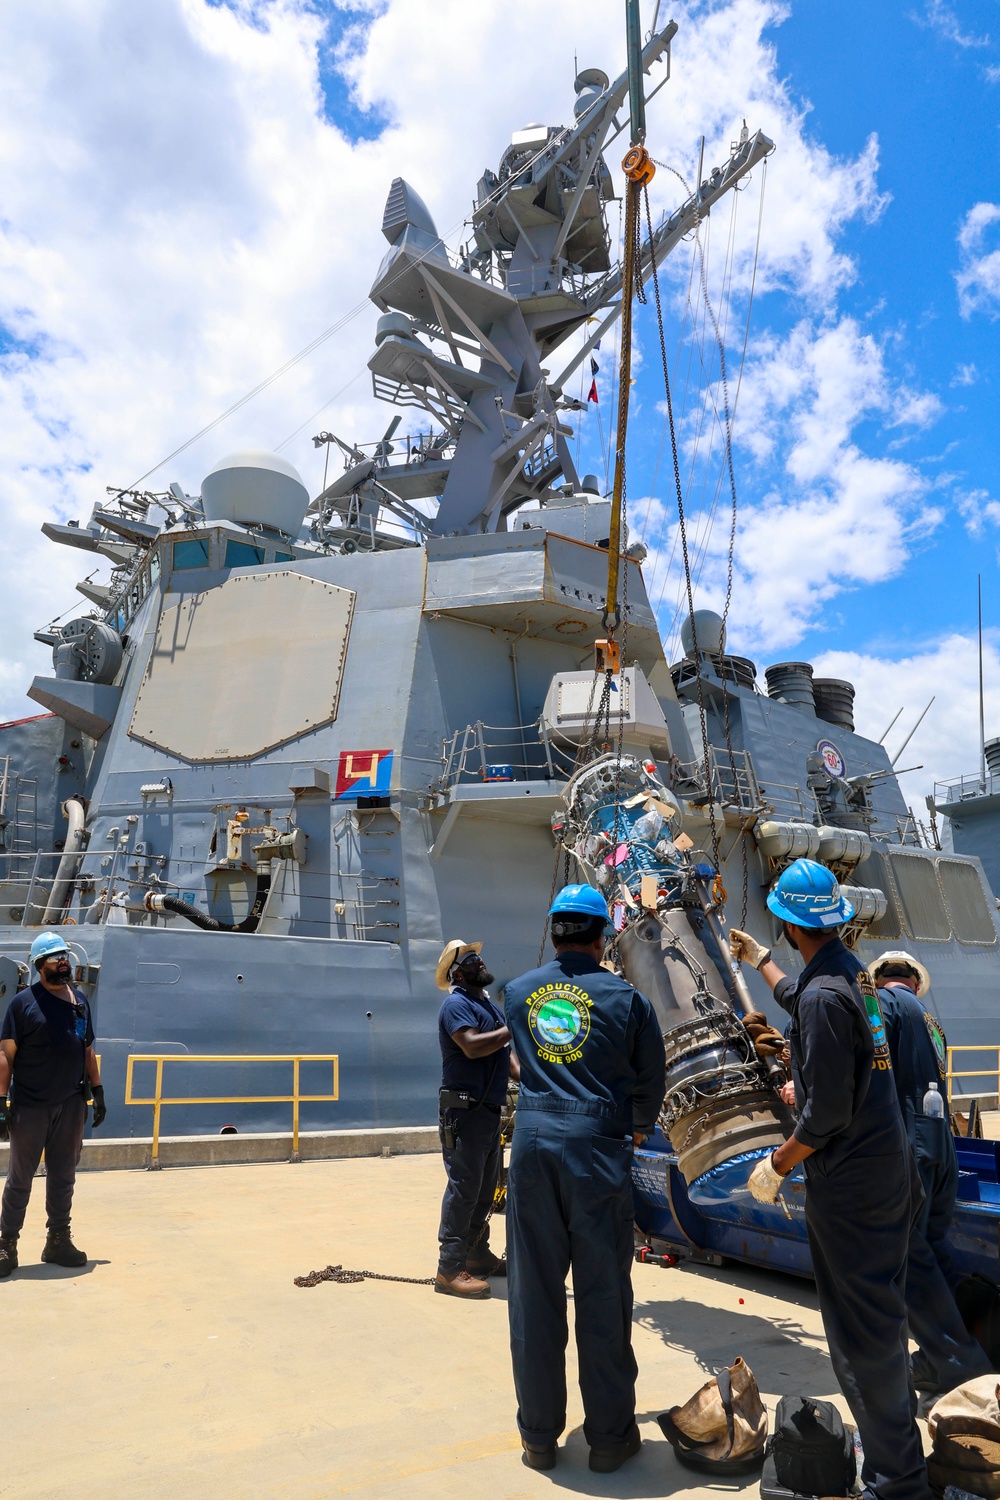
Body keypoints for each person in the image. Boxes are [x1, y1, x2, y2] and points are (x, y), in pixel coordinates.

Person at [730, 859, 932, 1500]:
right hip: (889, 1171)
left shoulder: (825, 996)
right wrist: (760, 961)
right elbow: (803, 997)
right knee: (883, 1320)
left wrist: (777, 1165)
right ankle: (894, 1454)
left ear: (791, 924)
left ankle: (896, 1481)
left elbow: (823, 1116)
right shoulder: (856, 979)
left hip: (848, 1189)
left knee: (858, 1336)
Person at [502, 885, 666, 1474]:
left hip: (533, 1146)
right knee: (602, 1294)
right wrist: (636, 1126)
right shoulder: (627, 1000)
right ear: (603, 939)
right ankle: (609, 1439)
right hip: (598, 1152)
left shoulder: (517, 993)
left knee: (534, 1295)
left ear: (553, 933)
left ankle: (539, 1438)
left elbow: (518, 1058)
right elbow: (651, 1079)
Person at [869, 949, 992, 1399]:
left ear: (881, 979)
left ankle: (963, 1366)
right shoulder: (932, 1023)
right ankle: (937, 1363)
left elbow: (871, 1065)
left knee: (907, 1255)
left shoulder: (883, 1003)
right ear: (915, 982)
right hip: (944, 1147)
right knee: (935, 1255)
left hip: (912, 1146)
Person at [0, 931, 106, 1278]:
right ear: (39, 965)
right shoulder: (23, 1004)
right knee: (20, 1178)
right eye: (55, 957)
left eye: (65, 955)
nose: (63, 961)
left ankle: (58, 1239)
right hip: (31, 1105)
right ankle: (6, 1243)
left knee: (63, 1176)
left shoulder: (78, 1001)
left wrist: (98, 1090)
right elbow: (6, 1055)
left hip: (71, 1104)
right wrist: (2, 1100)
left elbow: (86, 1048)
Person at [435, 938, 516, 1299]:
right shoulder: (456, 1004)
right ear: (457, 972)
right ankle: (449, 1268)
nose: (479, 961)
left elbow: (508, 1061)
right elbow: (471, 1044)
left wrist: (534, 1078)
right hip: (464, 1113)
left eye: (478, 956)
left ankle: (476, 1254)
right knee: (464, 1188)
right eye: (470, 959)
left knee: (485, 1192)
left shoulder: (488, 1007)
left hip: (488, 1113)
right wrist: (514, 1027)